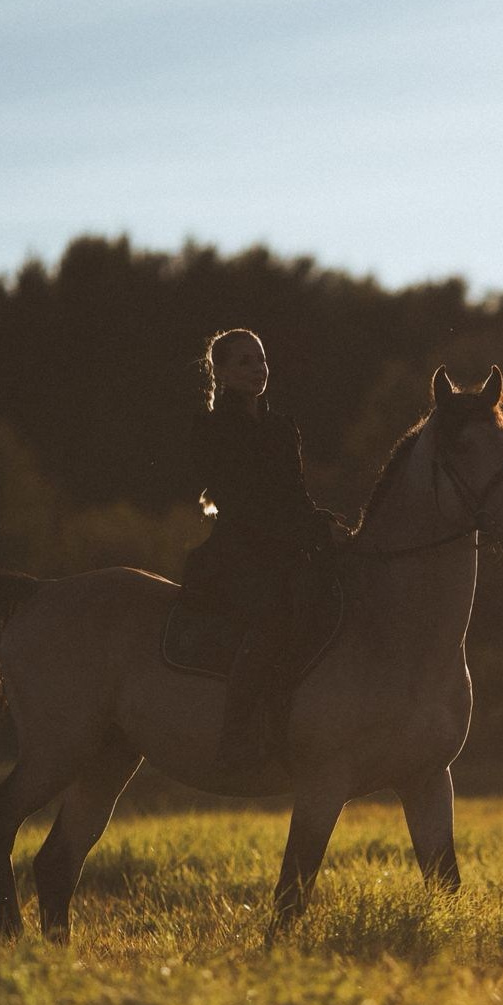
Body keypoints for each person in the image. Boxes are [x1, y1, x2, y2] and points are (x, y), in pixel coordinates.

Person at [186, 328, 343, 769]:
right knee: (272, 620)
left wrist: (322, 524)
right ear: (221, 372)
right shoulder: (212, 428)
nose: (258, 369)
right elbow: (237, 503)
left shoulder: (282, 427)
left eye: (261, 359)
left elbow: (296, 497)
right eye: (245, 362)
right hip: (238, 551)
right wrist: (301, 533)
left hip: (287, 545)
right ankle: (235, 738)